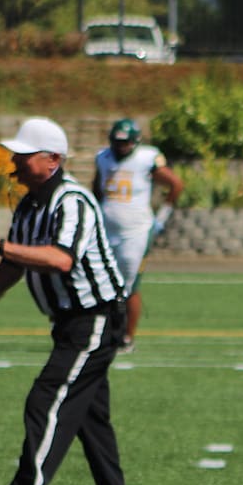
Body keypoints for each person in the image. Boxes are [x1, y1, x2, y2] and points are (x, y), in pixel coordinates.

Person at [0, 117, 141, 485]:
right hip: (71, 321)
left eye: (24, 154)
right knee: (90, 421)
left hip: (95, 318)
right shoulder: (30, 205)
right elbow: (11, 269)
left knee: (45, 401)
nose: (15, 161)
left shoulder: (73, 200)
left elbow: (60, 259)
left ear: (52, 160)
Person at [92, 118, 183, 354]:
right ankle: (104, 333)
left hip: (136, 232)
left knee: (129, 284)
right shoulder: (103, 158)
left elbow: (175, 184)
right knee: (102, 282)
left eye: (125, 143)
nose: (121, 147)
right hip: (106, 229)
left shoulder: (147, 158)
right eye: (118, 142)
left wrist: (161, 217)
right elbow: (97, 188)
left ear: (135, 142)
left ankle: (126, 337)